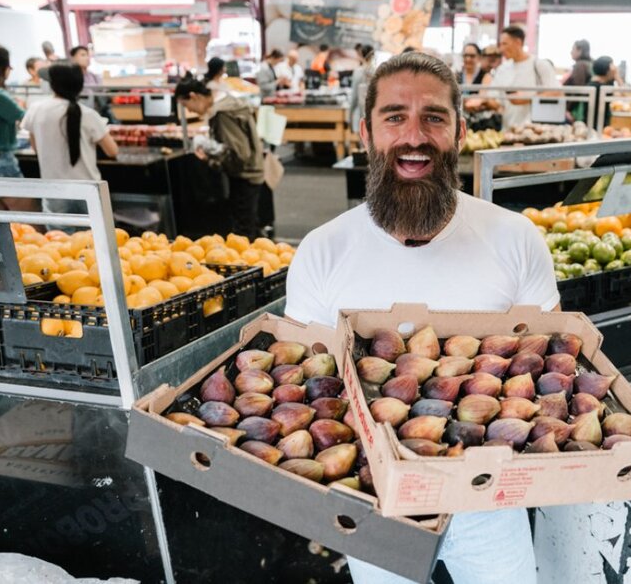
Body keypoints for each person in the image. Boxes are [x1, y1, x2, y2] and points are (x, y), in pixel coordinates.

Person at [284, 51, 558, 584]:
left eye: (433, 117)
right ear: (365, 132)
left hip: (490, 495)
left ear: (459, 131)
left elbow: (548, 367)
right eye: (394, 117)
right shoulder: (322, 251)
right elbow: (305, 386)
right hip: (376, 497)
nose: (414, 136)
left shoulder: (516, 239)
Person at [21, 62, 119, 218]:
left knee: (61, 239)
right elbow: (112, 150)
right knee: (95, 238)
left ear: (53, 85)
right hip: (89, 190)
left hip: (54, 190)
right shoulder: (88, 115)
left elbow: (36, 148)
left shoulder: (36, 110)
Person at [174, 76, 267, 239]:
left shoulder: (222, 113)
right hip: (252, 172)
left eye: (185, 105)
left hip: (245, 176)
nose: (189, 111)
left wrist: (210, 160)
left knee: (243, 232)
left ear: (194, 96)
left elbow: (239, 155)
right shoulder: (229, 104)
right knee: (250, 224)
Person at [491, 25, 559, 129]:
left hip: (537, 131)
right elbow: (496, 100)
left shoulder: (540, 65)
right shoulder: (502, 69)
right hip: (509, 131)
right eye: (500, 44)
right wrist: (482, 102)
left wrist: (527, 98)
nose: (501, 49)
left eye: (505, 44)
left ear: (518, 42)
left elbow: (557, 92)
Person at [70, 45, 115, 123]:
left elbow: (103, 93)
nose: (87, 58)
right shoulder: (70, 77)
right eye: (83, 55)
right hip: (80, 117)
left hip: (97, 115)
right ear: (73, 58)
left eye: (87, 55)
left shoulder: (94, 76)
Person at [0, 47, 25, 180]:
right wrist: (20, 106)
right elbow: (24, 117)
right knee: (25, 199)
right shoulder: (0, 95)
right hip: (3, 158)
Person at [348, 44, 375, 133]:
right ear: (373, 55)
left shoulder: (358, 72)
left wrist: (350, 119)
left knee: (363, 143)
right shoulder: (378, 72)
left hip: (361, 114)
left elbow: (354, 98)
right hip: (375, 116)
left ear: (360, 55)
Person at [563, 40, 591, 123]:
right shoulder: (588, 64)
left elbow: (578, 89)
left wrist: (568, 109)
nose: (571, 52)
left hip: (576, 111)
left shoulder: (580, 66)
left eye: (573, 49)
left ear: (580, 51)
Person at [586, 56, 617, 129]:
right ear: (607, 69)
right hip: (596, 126)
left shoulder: (600, 83)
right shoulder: (598, 87)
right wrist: (617, 75)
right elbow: (623, 94)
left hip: (598, 125)